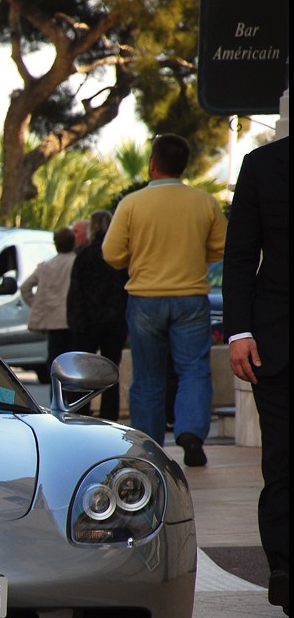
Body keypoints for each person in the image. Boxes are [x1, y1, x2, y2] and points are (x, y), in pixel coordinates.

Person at [102, 133, 227, 467]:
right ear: (182, 166)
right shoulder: (203, 202)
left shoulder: (132, 204)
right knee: (193, 370)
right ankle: (191, 433)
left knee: (147, 376)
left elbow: (112, 254)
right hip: (191, 297)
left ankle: (148, 446)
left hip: (145, 298)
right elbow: (221, 246)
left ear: (152, 163)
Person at [223, 135, 288, 616]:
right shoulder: (262, 164)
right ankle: (284, 573)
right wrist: (238, 331)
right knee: (283, 462)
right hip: (275, 346)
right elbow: (240, 255)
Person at [67, 209, 126, 420]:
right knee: (111, 373)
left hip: (87, 322)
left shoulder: (84, 255)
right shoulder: (118, 254)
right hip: (114, 321)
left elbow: (75, 292)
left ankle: (81, 413)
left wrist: (75, 322)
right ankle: (110, 416)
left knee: (83, 374)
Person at [20, 226, 77, 372]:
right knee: (72, 363)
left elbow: (25, 287)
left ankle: (55, 393)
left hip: (52, 321)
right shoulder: (76, 263)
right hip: (72, 320)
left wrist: (37, 305)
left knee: (55, 362)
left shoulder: (46, 266)